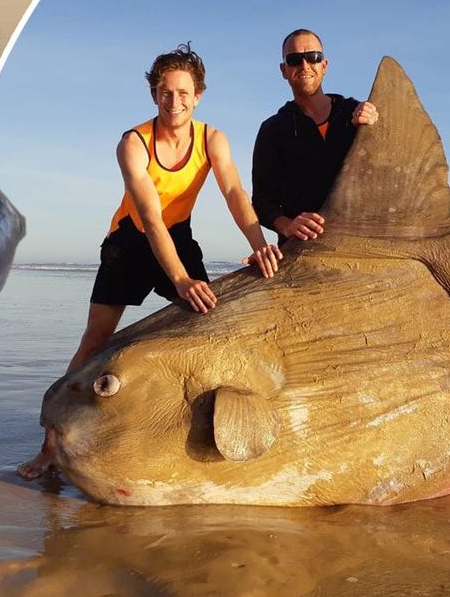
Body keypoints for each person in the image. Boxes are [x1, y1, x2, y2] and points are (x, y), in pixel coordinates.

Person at [17, 44, 283, 480]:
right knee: (96, 340)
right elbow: (150, 217)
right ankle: (51, 444)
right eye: (165, 92)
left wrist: (259, 243)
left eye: (183, 93)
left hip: (178, 236)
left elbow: (235, 194)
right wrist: (179, 279)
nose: (174, 101)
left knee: (208, 323)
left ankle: (186, 428)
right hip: (129, 241)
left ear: (198, 96)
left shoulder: (212, 140)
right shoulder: (134, 143)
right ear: (154, 94)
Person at [251, 29, 379, 242]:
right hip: (306, 247)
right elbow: (263, 201)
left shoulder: (355, 112)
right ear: (284, 70)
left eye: (313, 57)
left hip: (362, 242)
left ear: (324, 65)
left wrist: (374, 126)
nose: (304, 65)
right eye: (294, 60)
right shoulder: (273, 129)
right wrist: (287, 225)